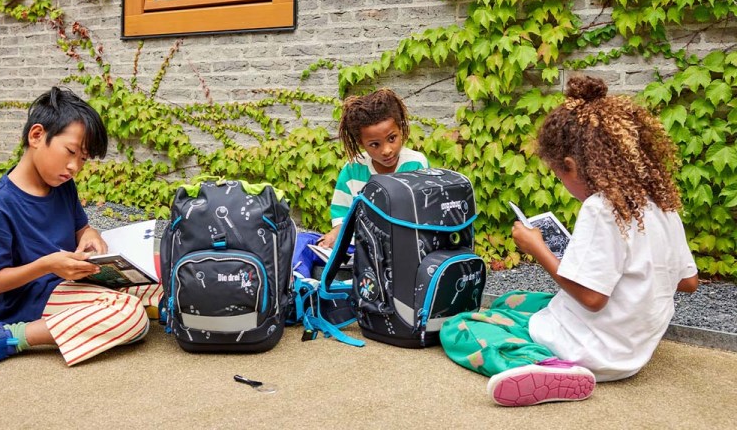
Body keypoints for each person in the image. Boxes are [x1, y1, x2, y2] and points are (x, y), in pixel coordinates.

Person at [440, 75, 699, 406]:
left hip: (592, 349)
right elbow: (688, 282)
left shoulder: (600, 208)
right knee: (513, 300)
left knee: (461, 328)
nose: (563, 185)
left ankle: (546, 367)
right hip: (632, 348)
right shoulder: (659, 204)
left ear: (572, 167)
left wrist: (539, 249)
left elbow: (592, 298)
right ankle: (554, 356)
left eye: (559, 176)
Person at [0, 87, 162, 377]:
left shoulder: (62, 185)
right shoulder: (0, 205)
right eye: (71, 152)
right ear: (36, 136)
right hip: (29, 301)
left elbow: (81, 227)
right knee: (131, 317)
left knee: (161, 276)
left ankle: (102, 312)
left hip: (70, 282)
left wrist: (89, 235)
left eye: (83, 159)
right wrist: (48, 265)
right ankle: (9, 338)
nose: (75, 167)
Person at [293, 88, 429, 276]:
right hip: (357, 246)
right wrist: (335, 234)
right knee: (302, 242)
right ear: (361, 143)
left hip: (401, 248)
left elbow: (422, 216)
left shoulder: (415, 164)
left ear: (401, 129)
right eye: (375, 144)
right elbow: (342, 216)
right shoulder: (352, 169)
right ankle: (301, 287)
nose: (387, 150)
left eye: (392, 138)